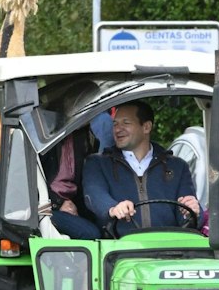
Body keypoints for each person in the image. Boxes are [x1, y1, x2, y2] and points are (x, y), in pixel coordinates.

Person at [81, 100, 200, 236]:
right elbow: (94, 194)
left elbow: (189, 215)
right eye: (115, 124)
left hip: (170, 248)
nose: (117, 129)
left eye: (126, 123)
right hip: (116, 249)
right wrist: (112, 208)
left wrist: (192, 210)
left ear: (146, 127)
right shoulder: (97, 163)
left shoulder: (178, 166)